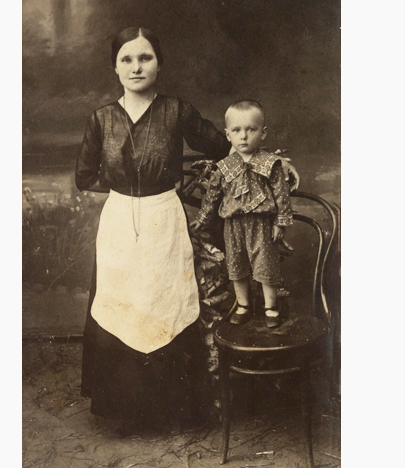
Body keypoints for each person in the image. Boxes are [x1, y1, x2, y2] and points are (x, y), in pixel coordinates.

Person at [75, 27, 300, 435]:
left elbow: (228, 147)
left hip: (165, 218)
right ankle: (124, 411)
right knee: (121, 306)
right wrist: (128, 191)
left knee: (166, 308)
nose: (136, 67)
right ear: (115, 68)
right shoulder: (101, 119)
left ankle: (169, 411)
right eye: (127, 59)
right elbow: (85, 176)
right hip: (119, 223)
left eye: (145, 57)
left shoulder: (177, 111)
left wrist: (275, 163)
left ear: (159, 64)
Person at [190, 100, 292, 328]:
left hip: (262, 224)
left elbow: (281, 194)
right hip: (233, 225)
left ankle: (270, 308)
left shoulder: (270, 164)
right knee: (236, 265)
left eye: (251, 129)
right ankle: (243, 305)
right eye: (236, 130)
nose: (244, 136)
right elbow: (212, 197)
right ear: (228, 135)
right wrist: (202, 220)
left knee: (265, 265)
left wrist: (280, 223)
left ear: (263, 133)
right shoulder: (224, 167)